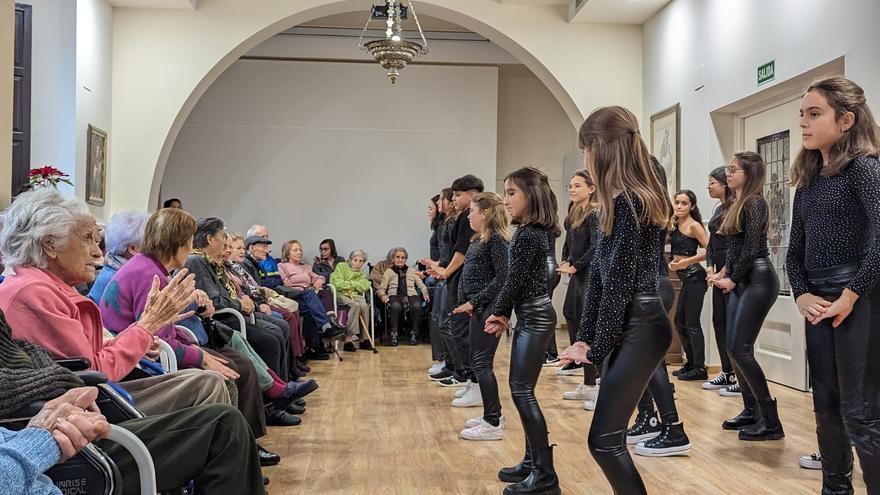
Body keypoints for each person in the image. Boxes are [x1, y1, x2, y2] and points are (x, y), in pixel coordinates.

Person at [0, 188, 231, 416]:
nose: (97, 253)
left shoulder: (44, 287)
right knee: (210, 386)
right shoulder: (33, 294)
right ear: (49, 244)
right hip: (91, 408)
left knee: (212, 382)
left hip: (100, 393)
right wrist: (146, 327)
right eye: (87, 238)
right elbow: (93, 371)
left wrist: (141, 335)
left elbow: (88, 356)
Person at [97, 209, 297, 465]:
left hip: (150, 351)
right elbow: (153, 338)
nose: (192, 246)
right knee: (230, 376)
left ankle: (242, 447)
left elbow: (163, 328)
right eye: (190, 240)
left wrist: (190, 342)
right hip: (142, 363)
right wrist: (198, 354)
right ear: (179, 242)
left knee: (236, 365)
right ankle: (227, 457)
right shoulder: (150, 275)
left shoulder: (148, 268)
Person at [559, 106, 675, 493]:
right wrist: (586, 338)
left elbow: (620, 285)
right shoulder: (617, 201)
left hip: (641, 322)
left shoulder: (631, 201)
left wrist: (597, 344)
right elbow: (602, 282)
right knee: (605, 441)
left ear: (602, 149)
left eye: (586, 150)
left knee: (604, 442)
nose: (584, 160)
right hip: (633, 321)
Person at [785, 76, 880, 493]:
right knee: (825, 407)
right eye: (802, 115)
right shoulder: (807, 182)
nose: (803, 123)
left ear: (846, 120)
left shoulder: (864, 169)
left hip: (859, 298)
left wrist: (850, 295)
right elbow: (794, 253)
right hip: (819, 303)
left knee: (860, 411)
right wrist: (802, 294)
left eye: (814, 114)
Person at [485, 167, 561, 495]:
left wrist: (499, 312)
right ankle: (532, 463)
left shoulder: (529, 234)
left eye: (512, 192)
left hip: (535, 316)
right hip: (532, 315)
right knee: (522, 390)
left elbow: (512, 282)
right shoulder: (531, 231)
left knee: (521, 391)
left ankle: (545, 476)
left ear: (531, 195)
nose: (506, 199)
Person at [185, 218, 304, 426]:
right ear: (210, 239)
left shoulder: (210, 262)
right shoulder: (197, 261)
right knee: (270, 339)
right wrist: (240, 304)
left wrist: (243, 302)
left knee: (278, 329)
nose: (225, 244)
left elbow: (219, 297)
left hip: (227, 317)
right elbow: (216, 300)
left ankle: (281, 393)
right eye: (223, 238)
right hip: (225, 319)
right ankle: (272, 404)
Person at [709, 151, 784, 441]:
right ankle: (751, 410)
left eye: (733, 170)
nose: (728, 173)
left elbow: (752, 247)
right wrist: (724, 272)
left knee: (740, 348)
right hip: (744, 276)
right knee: (732, 347)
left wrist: (732, 278)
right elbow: (733, 249)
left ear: (749, 174)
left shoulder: (754, 202)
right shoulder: (736, 202)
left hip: (759, 278)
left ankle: (771, 420)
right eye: (728, 169)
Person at [452, 192, 510, 439]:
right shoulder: (479, 239)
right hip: (478, 308)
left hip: (488, 308)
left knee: (482, 363)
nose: (468, 216)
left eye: (472, 211)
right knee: (479, 362)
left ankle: (493, 422)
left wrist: (474, 302)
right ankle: (492, 412)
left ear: (485, 213)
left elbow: (504, 278)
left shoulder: (497, 240)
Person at [425, 175, 483, 386]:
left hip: (461, 278)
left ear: (473, 195)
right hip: (455, 276)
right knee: (451, 325)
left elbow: (461, 252)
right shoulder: (463, 218)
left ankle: (464, 374)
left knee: (457, 326)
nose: (453, 199)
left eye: (458, 195)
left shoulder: (468, 218)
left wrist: (445, 271)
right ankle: (460, 371)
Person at [556, 171, 601, 411]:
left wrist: (576, 265)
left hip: (590, 275)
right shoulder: (572, 213)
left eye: (577, 186)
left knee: (588, 328)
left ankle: (598, 386)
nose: (572, 190)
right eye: (570, 186)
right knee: (572, 317)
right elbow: (568, 243)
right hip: (576, 276)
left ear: (591, 188)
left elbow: (596, 246)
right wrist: (565, 261)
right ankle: (588, 383)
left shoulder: (595, 214)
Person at [703, 166, 738, 393]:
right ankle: (726, 372)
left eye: (712, 182)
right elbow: (710, 246)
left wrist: (724, 271)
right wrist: (709, 269)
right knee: (719, 322)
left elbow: (735, 247)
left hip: (733, 273)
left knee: (734, 325)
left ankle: (738, 376)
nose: (708, 186)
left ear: (724, 184)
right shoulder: (718, 209)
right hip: (716, 274)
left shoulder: (736, 208)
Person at [668, 190, 709, 381]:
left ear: (692, 206)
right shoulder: (675, 224)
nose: (679, 206)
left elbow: (710, 250)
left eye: (684, 203)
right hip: (685, 278)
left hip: (695, 277)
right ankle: (691, 363)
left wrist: (685, 263)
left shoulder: (694, 226)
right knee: (679, 321)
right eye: (677, 202)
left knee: (691, 323)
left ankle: (699, 368)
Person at [278, 239, 346, 347]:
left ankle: (314, 346)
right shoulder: (282, 266)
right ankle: (327, 326)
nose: (299, 252)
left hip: (309, 296)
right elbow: (284, 283)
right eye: (295, 250)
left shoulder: (306, 267)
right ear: (287, 253)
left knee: (323, 294)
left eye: (300, 250)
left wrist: (319, 281)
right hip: (295, 296)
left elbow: (319, 277)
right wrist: (301, 286)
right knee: (310, 295)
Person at [87, 211, 150, 303]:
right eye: (150, 241)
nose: (155, 247)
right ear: (133, 248)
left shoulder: (112, 268)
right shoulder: (120, 278)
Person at [378, 248, 429, 346]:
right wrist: (383, 296)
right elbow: (381, 288)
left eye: (403, 257)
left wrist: (425, 293)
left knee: (417, 306)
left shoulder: (412, 270)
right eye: (397, 257)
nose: (400, 260)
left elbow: (421, 285)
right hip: (394, 295)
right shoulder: (388, 271)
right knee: (395, 306)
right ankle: (394, 333)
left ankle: (414, 333)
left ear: (406, 259)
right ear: (393, 259)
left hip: (411, 295)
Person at [329, 249, 374, 351]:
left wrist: (350, 284)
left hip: (354, 295)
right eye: (355, 260)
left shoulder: (361, 273)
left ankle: (364, 339)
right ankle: (348, 340)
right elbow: (337, 283)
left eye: (361, 261)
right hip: (340, 294)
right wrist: (354, 284)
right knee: (355, 305)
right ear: (350, 260)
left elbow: (365, 285)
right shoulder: (341, 266)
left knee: (364, 306)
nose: (358, 263)